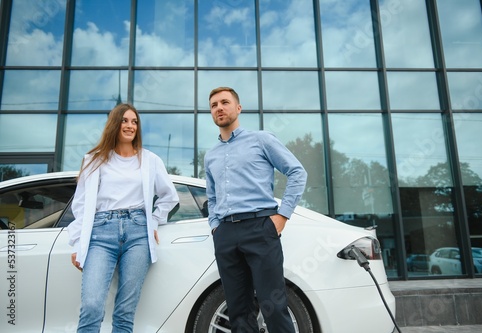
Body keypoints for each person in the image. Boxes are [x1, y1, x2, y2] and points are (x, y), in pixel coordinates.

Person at [67, 103, 179, 333]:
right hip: (100, 233)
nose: (130, 126)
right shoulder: (94, 160)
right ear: (114, 124)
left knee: (125, 311)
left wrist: (154, 220)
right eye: (124, 121)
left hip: (138, 233)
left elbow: (169, 196)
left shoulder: (150, 160)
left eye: (134, 122)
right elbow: (80, 205)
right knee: (91, 305)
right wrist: (78, 242)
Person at [204, 87, 307, 333]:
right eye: (214, 105)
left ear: (238, 108)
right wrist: (215, 226)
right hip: (226, 234)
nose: (219, 108)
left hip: (261, 229)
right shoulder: (210, 156)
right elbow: (212, 195)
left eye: (225, 102)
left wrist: (282, 216)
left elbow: (297, 172)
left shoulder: (261, 140)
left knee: (273, 305)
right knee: (238, 312)